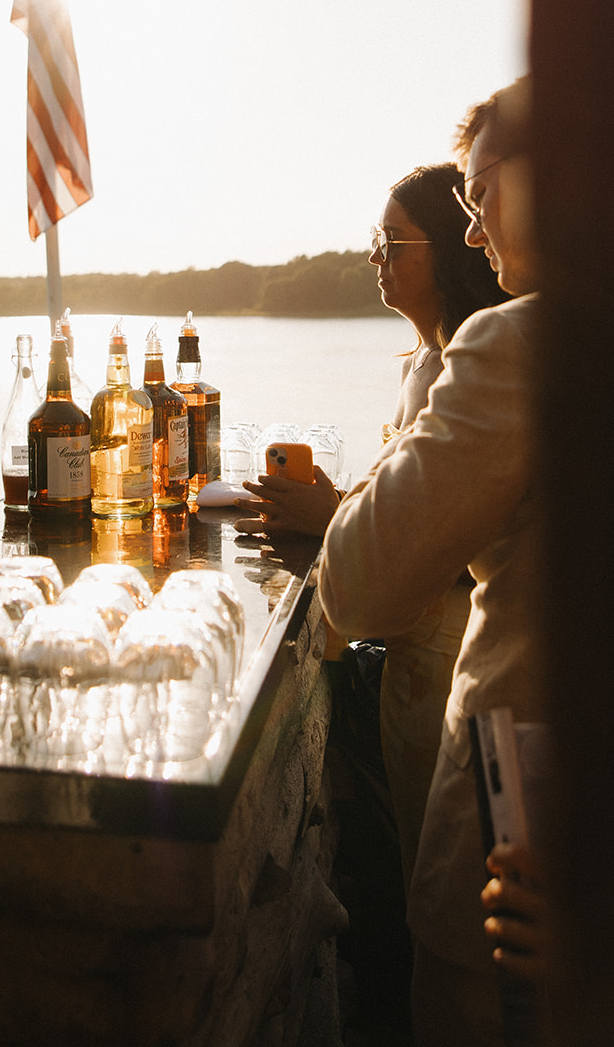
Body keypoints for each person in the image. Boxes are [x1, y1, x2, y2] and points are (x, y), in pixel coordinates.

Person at [316, 77, 542, 1047]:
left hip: (522, 851)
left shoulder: (518, 343)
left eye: (478, 191)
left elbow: (358, 581)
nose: (471, 228)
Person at [236, 162, 508, 888]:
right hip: (409, 646)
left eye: (393, 242)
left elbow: (458, 539)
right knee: (417, 848)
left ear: (448, 250)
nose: (374, 258)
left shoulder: (474, 360)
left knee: (444, 861)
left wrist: (332, 516)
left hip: (445, 652)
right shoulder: (422, 359)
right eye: (373, 240)